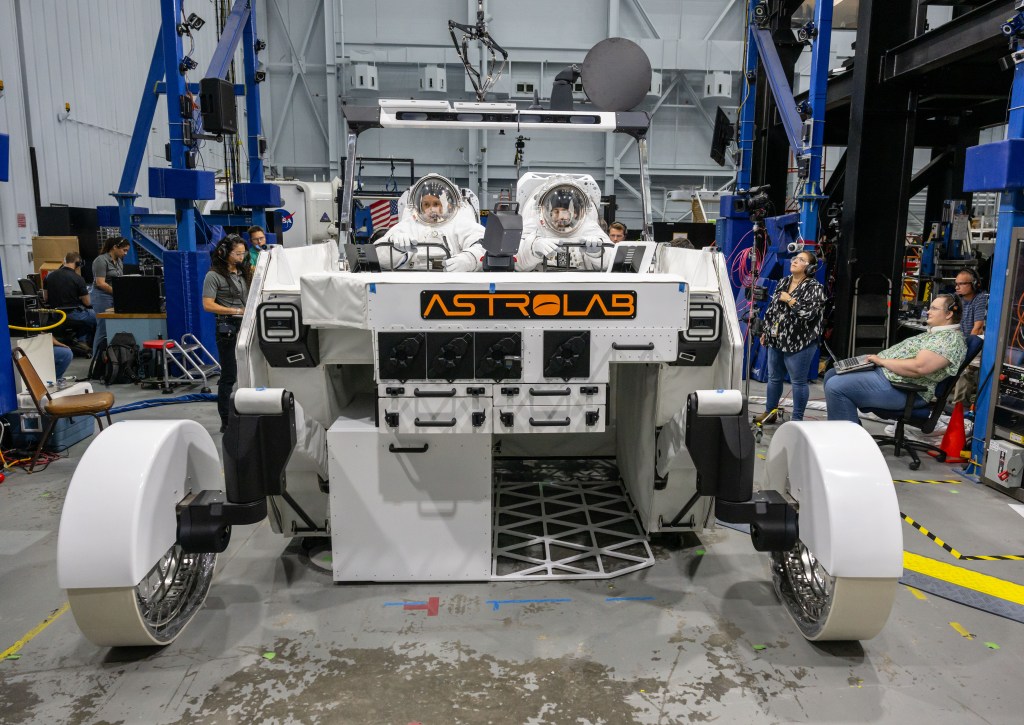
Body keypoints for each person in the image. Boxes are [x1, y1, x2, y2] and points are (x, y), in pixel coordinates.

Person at [824, 293, 967, 424]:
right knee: (832, 373)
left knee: (836, 387)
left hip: (904, 390)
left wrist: (881, 361)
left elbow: (919, 367)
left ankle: (848, 445)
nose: (928, 312)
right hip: (890, 377)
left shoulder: (949, 340)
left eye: (934, 309)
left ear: (948, 314)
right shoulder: (936, 334)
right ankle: (850, 431)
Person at [754, 251, 827, 425]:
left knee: (798, 382)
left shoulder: (814, 287)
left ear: (809, 268)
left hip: (801, 341)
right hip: (777, 338)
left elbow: (809, 314)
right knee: (774, 378)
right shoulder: (783, 282)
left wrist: (790, 300)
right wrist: (766, 331)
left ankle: (797, 420)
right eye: (795, 258)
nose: (794, 261)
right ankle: (770, 412)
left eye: (801, 260)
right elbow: (773, 310)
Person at [375, 174, 484, 272]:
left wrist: (469, 260)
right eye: (426, 205)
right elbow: (377, 255)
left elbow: (486, 245)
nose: (431, 209)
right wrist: (394, 247)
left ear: (447, 205)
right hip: (413, 283)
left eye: (436, 204)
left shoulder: (460, 223)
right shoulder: (409, 225)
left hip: (453, 282)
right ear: (419, 207)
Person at [203, 235, 251, 433]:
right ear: (224, 253)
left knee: (250, 371)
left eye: (243, 253)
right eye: (237, 253)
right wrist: (237, 311)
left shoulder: (243, 272)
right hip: (228, 328)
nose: (241, 256)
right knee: (229, 375)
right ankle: (226, 421)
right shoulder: (213, 276)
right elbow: (208, 305)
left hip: (247, 326)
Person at [515, 176, 609, 272]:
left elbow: (610, 262)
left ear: (575, 213)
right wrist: (533, 250)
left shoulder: (588, 228)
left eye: (565, 211)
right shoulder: (535, 227)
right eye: (556, 211)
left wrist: (597, 254)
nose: (561, 217)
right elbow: (517, 263)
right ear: (547, 213)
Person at [43, 251, 96, 350]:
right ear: (78, 263)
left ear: (64, 261)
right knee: (95, 316)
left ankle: (80, 340)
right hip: (71, 314)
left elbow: (45, 298)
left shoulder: (49, 276)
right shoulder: (78, 279)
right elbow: (87, 302)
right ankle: (83, 340)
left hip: (55, 314)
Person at [951, 268, 988, 404]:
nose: (957, 287)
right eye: (956, 283)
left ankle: (959, 407)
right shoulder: (957, 299)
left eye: (961, 283)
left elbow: (977, 328)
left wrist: (965, 351)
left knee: (965, 370)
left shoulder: (980, 299)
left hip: (975, 345)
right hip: (961, 343)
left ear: (974, 284)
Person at [90, 237, 131, 357]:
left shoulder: (119, 261)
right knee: (103, 328)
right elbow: (100, 283)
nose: (125, 253)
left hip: (114, 296)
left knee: (115, 327)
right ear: (115, 247)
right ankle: (96, 359)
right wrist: (117, 292)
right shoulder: (101, 261)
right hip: (101, 296)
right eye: (124, 250)